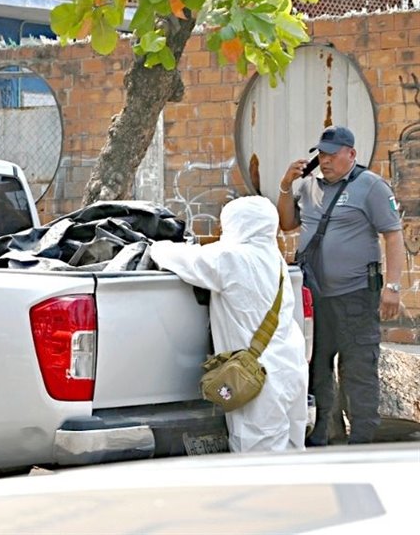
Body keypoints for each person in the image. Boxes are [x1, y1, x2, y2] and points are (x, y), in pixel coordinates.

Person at [277, 125, 405, 446]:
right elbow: (287, 223)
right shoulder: (307, 186)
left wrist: (392, 286)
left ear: (351, 154)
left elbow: (393, 235)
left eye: (332, 154)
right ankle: (323, 432)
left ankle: (362, 437)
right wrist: (284, 187)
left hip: (357, 295)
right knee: (318, 367)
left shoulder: (371, 186)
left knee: (359, 368)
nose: (326, 160)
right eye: (321, 154)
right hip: (316, 297)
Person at [150, 196, 308, 452]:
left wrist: (154, 245)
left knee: (259, 456)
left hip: (257, 377)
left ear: (238, 224)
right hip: (291, 368)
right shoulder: (275, 258)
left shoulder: (231, 258)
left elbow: (176, 257)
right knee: (292, 448)